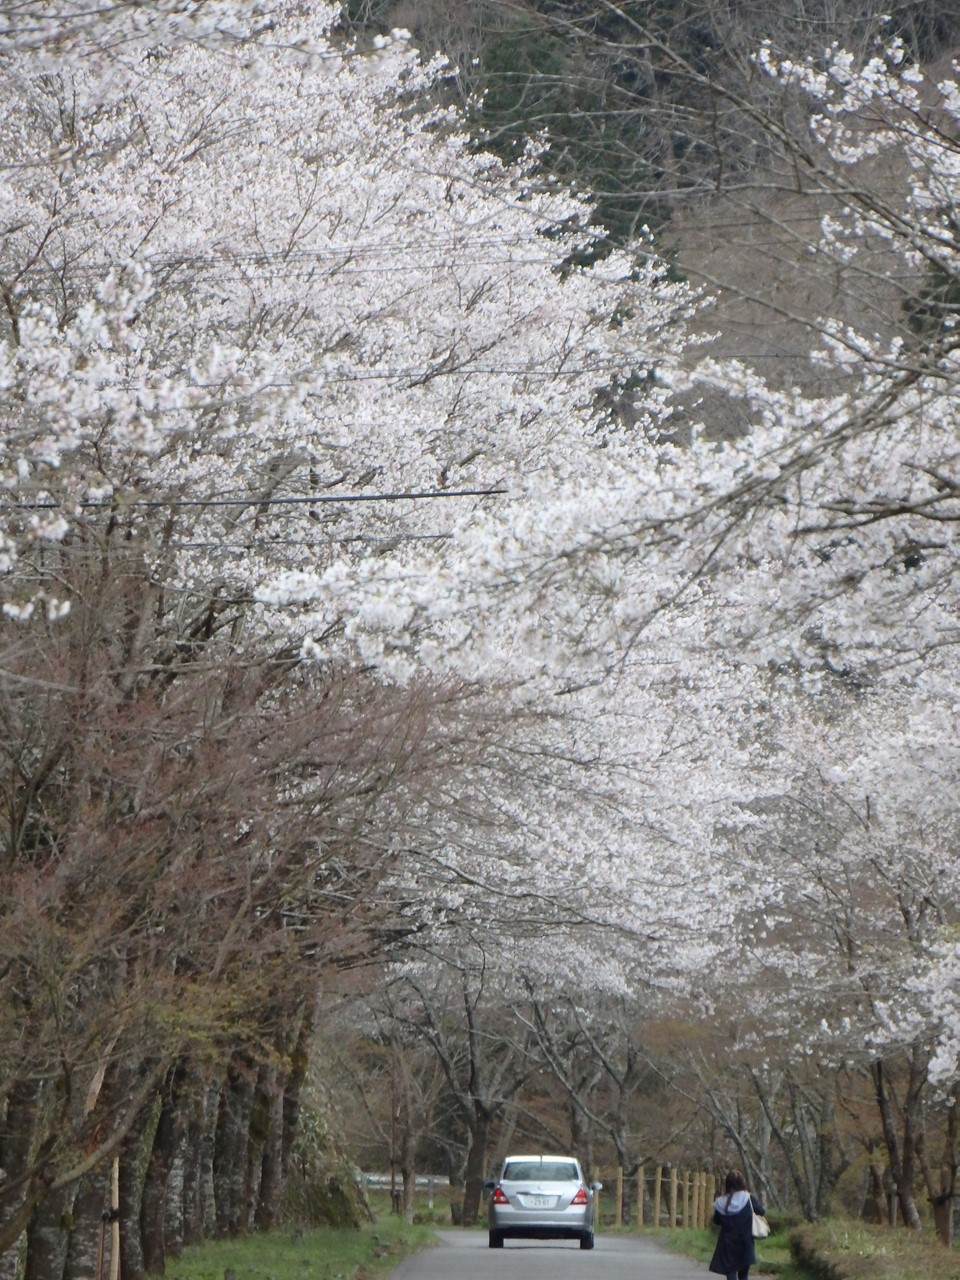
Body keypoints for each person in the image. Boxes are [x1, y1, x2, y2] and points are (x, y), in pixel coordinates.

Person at [708, 1170, 765, 1280]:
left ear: (727, 1184)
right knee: (744, 1274)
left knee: (730, 1271)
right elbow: (761, 1211)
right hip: (745, 1241)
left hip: (727, 1243)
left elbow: (716, 1220)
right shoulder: (748, 1198)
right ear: (742, 1182)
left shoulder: (722, 1202)